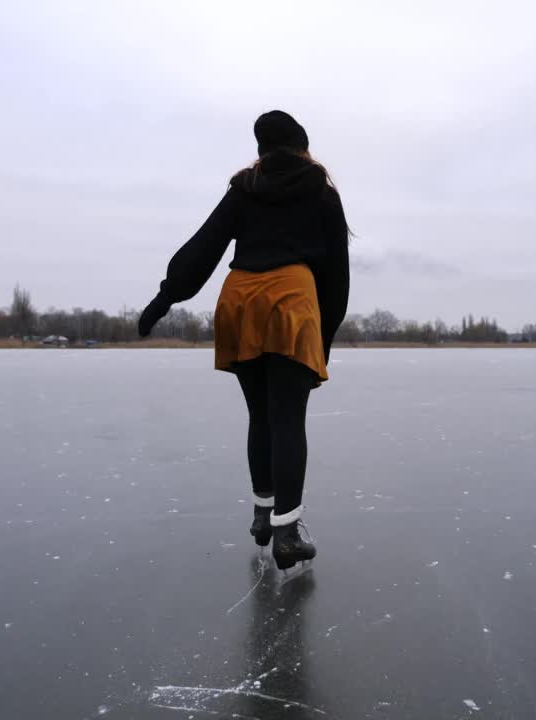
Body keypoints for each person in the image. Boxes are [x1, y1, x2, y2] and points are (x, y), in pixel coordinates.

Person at [137, 110, 350, 570]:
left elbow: (204, 247)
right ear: (302, 146)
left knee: (260, 415)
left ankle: (262, 514)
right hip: (291, 301)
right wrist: (323, 340)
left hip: (239, 302)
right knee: (288, 419)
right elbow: (336, 277)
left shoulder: (244, 189)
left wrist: (164, 299)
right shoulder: (321, 193)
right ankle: (287, 532)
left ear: (261, 149)